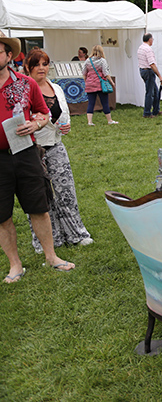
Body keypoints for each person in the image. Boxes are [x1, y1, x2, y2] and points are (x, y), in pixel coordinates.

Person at [0, 32, 75, 283]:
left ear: (9, 55)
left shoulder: (26, 84)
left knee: (39, 207)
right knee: (2, 215)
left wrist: (36, 124)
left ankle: (52, 257)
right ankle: (15, 265)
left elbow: (44, 114)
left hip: (26, 153)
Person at [24, 50, 93, 252]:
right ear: (28, 67)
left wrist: (66, 125)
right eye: (37, 64)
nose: (42, 68)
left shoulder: (56, 88)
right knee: (40, 197)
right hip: (32, 150)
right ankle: (48, 239)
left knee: (66, 191)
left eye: (45, 64)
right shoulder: (24, 90)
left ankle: (76, 233)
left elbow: (63, 113)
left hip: (56, 146)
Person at [82, 44, 117, 126]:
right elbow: (106, 73)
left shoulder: (88, 61)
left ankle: (89, 122)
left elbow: (84, 73)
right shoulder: (102, 61)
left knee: (91, 103)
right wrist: (112, 82)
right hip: (101, 85)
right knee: (104, 102)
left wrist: (87, 81)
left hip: (90, 84)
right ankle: (109, 120)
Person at [138, 33, 162, 118]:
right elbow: (152, 64)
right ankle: (147, 113)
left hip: (142, 70)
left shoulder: (140, 48)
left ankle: (156, 110)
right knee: (150, 92)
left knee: (155, 91)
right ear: (149, 39)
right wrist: (159, 76)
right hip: (148, 71)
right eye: (152, 39)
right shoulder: (148, 49)